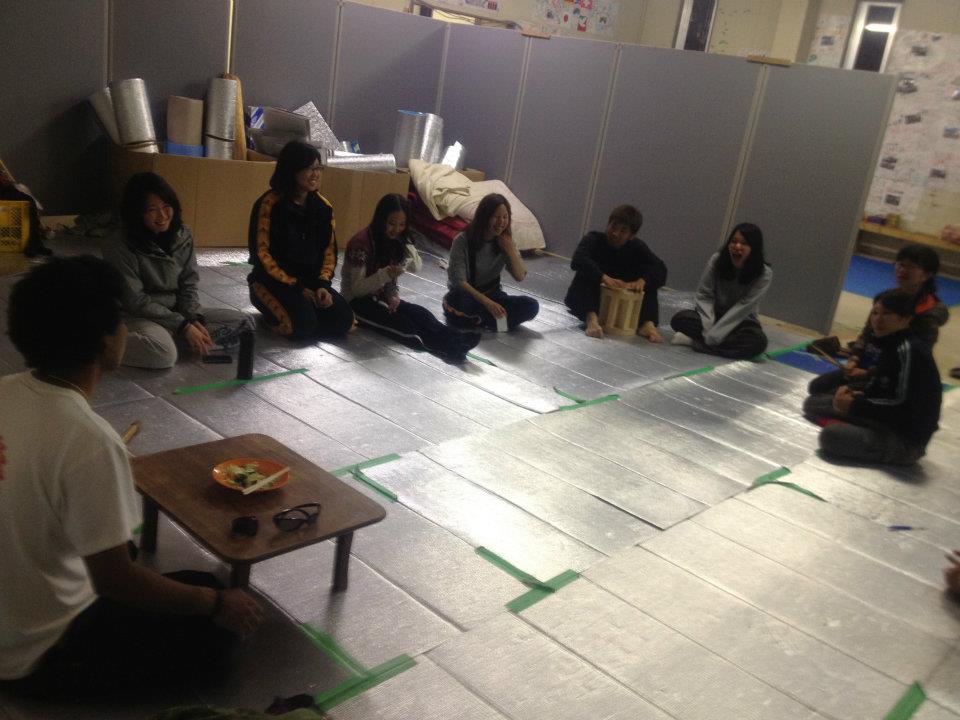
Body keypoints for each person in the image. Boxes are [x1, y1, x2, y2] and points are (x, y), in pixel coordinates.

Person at [0, 257, 264, 695]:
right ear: (104, 340)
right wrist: (215, 603)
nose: (125, 330)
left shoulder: (6, 389)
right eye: (121, 321)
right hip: (34, 651)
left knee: (163, 573)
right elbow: (115, 580)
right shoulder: (89, 440)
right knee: (213, 621)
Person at [103, 172, 252, 369]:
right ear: (136, 213)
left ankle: (179, 338)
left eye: (166, 206)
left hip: (175, 312)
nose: (162, 215)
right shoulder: (119, 244)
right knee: (162, 354)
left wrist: (192, 318)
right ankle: (101, 345)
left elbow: (188, 282)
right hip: (138, 315)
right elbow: (135, 301)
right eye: (152, 210)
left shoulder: (182, 234)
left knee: (245, 324)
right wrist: (183, 326)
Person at [802, 289, 942, 465]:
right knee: (812, 403)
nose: (878, 319)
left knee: (831, 436)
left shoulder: (909, 351)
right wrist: (857, 395)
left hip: (903, 438)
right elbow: (881, 386)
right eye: (875, 313)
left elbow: (905, 407)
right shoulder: (888, 342)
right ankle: (855, 426)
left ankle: (858, 432)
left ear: (906, 318)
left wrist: (855, 405)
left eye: (887, 314)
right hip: (884, 419)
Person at [342, 193, 481, 361]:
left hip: (379, 296)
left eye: (402, 224)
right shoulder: (361, 244)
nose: (396, 229)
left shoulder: (394, 240)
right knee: (404, 325)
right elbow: (357, 289)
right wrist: (385, 275)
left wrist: (393, 295)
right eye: (391, 223)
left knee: (420, 314)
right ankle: (447, 347)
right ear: (381, 219)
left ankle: (456, 337)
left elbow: (393, 279)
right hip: (356, 303)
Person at [809, 244, 950, 396]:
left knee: (833, 396)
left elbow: (915, 359)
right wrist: (855, 357)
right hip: (866, 365)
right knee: (817, 387)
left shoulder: (928, 314)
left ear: (926, 275)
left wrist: (869, 373)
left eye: (911, 267)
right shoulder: (888, 297)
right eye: (900, 264)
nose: (902, 270)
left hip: (892, 376)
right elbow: (867, 332)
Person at [247, 141, 354, 340]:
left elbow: (329, 253)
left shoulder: (323, 207)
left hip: (311, 282)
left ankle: (309, 314)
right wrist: (297, 287)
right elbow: (262, 254)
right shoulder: (269, 204)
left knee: (344, 320)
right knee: (301, 327)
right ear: (292, 170)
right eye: (309, 168)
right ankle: (279, 317)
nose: (315, 174)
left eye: (318, 168)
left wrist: (322, 285)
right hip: (273, 282)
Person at [564, 204, 667, 340]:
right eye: (614, 226)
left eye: (623, 231)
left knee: (649, 278)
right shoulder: (594, 239)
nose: (615, 233)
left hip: (623, 306)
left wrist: (642, 281)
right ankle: (592, 320)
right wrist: (603, 277)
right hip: (593, 300)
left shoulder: (637, 247)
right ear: (608, 224)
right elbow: (578, 260)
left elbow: (660, 268)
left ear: (631, 236)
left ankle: (647, 323)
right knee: (587, 271)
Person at [670, 222, 772, 359]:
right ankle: (719, 344)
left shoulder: (764, 274)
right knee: (679, 319)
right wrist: (708, 326)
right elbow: (704, 295)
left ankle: (695, 343)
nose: (737, 246)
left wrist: (716, 334)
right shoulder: (716, 260)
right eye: (734, 241)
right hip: (712, 316)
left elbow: (744, 307)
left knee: (758, 342)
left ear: (754, 248)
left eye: (744, 243)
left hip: (740, 321)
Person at [443, 193, 539, 331]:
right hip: (467, 295)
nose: (501, 222)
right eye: (496, 217)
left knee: (531, 306)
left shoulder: (505, 241)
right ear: (484, 217)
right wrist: (488, 303)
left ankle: (482, 320)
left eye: (505, 217)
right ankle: (497, 322)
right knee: (460, 303)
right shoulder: (463, 240)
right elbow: (459, 281)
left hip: (493, 294)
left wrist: (510, 249)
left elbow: (520, 276)